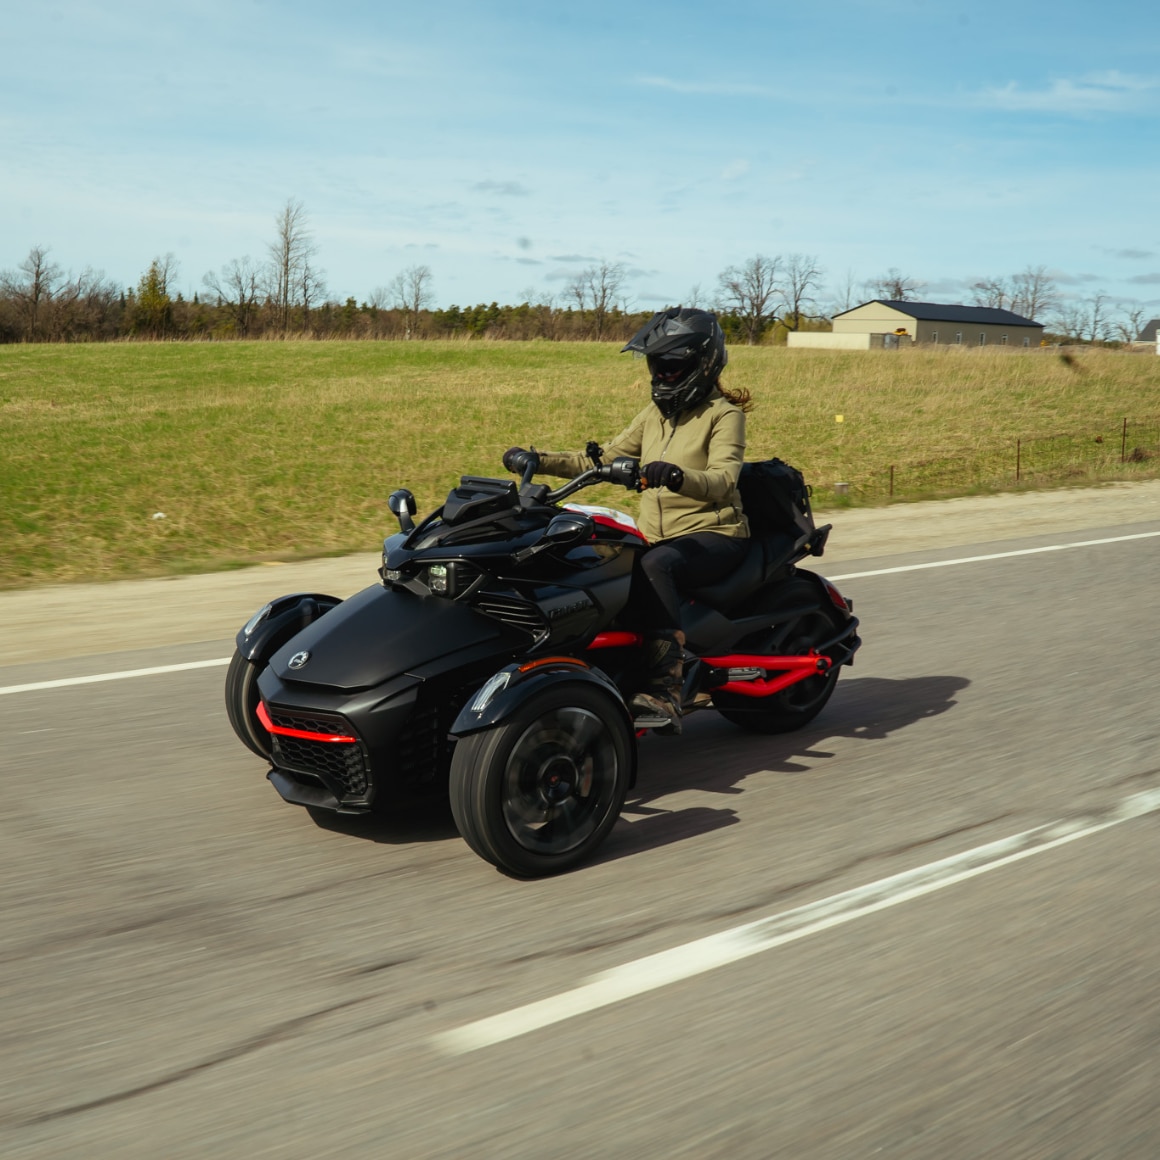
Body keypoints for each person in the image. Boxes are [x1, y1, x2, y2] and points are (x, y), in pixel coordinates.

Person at [503, 307, 751, 732]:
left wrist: (675, 475)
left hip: (714, 533)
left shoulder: (724, 415)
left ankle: (665, 687)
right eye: (658, 366)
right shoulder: (654, 416)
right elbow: (597, 459)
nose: (663, 375)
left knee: (656, 565)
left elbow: (724, 480)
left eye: (672, 366)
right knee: (596, 559)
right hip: (657, 534)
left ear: (701, 363)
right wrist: (536, 460)